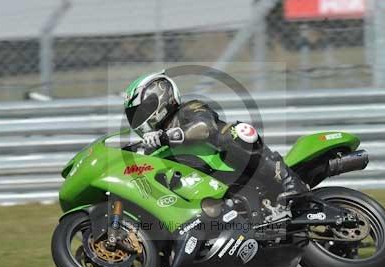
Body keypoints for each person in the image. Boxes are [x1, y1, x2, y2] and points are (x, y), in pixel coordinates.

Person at [123, 71, 311, 219]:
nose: (139, 119)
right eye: (134, 115)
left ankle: (289, 182)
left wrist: (165, 136)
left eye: (141, 111)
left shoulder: (190, 108)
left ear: (160, 99)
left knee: (236, 132)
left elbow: (205, 128)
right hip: (211, 187)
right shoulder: (156, 144)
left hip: (233, 164)